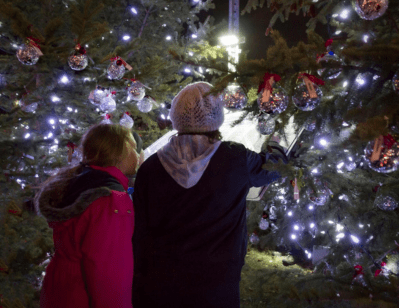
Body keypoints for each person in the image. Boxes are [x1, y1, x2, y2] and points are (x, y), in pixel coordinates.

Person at [132, 82, 288, 308]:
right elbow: (275, 168)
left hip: (160, 282)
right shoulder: (236, 158)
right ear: (217, 117)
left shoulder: (150, 167)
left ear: (177, 117)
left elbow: (139, 232)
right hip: (218, 282)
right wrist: (274, 144)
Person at [35, 123, 142, 308]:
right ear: (121, 151)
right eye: (134, 147)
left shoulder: (78, 182)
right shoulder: (111, 201)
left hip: (59, 290)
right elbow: (109, 278)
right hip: (82, 296)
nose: (138, 154)